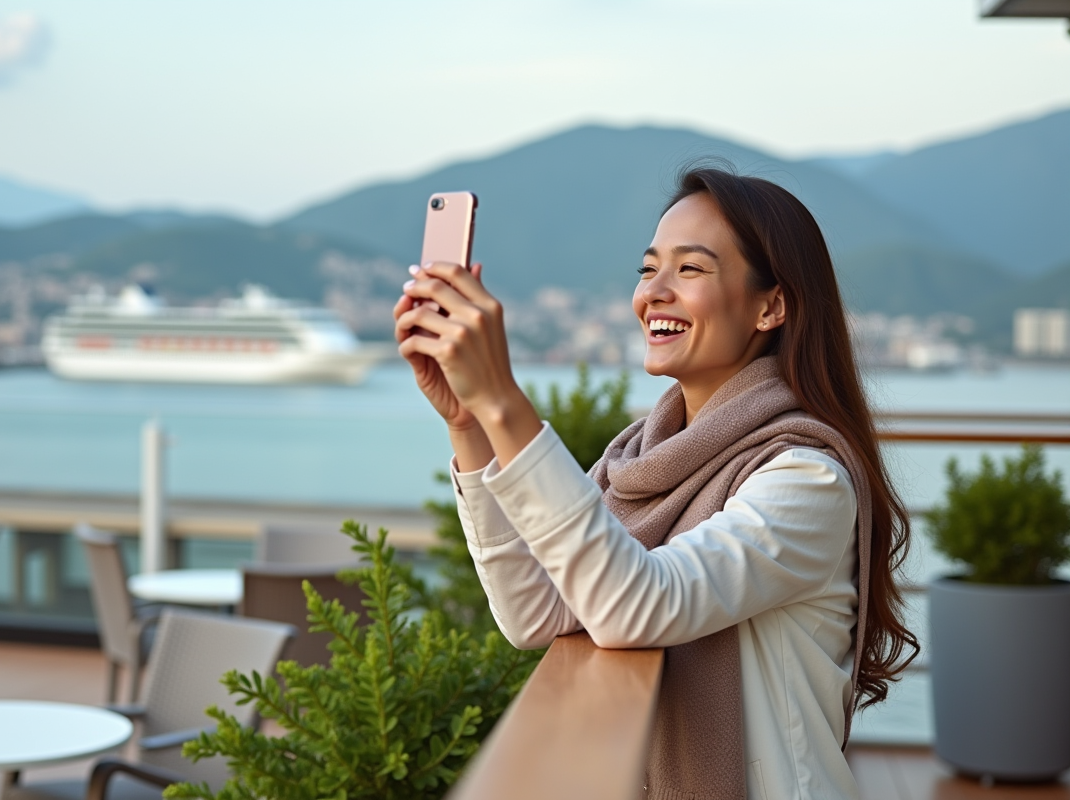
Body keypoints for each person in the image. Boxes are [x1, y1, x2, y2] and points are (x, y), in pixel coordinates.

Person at [393, 168, 917, 800]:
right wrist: (469, 422)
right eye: (648, 269)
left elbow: (635, 605)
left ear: (770, 306)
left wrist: (504, 398)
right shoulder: (639, 457)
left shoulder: (808, 478)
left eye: (690, 270)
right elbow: (538, 611)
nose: (653, 293)